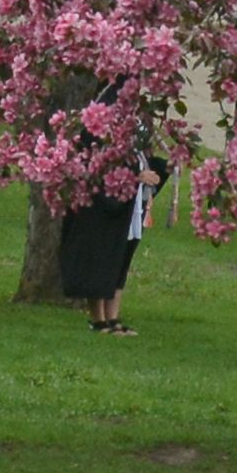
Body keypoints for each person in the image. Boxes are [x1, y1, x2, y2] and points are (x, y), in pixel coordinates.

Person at [51, 125, 164, 332]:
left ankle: (113, 318)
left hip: (132, 203)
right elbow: (99, 168)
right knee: (102, 257)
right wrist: (136, 176)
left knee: (122, 257)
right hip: (107, 206)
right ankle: (98, 319)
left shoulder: (135, 133)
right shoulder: (100, 131)